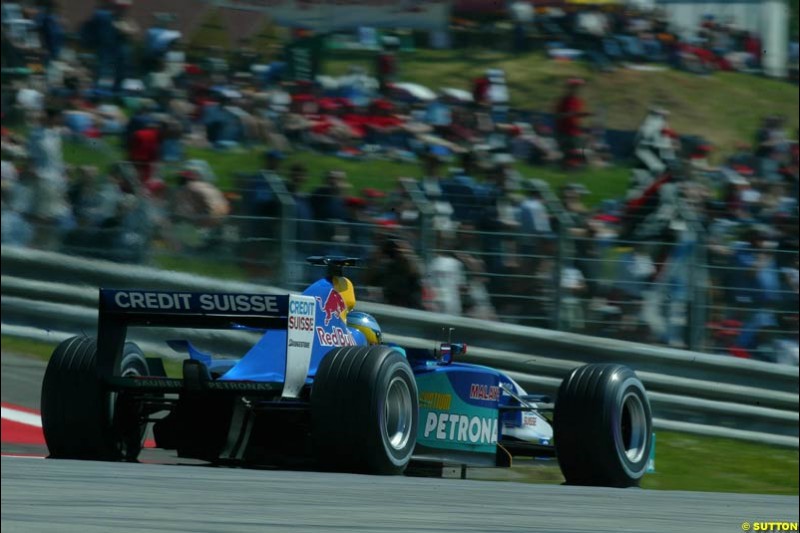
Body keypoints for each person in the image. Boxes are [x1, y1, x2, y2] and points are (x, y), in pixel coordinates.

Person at [555, 78, 589, 168]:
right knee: (569, 152)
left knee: (580, 150)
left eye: (578, 87)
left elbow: (576, 116)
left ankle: (576, 165)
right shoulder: (562, 101)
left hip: (574, 132)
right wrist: (568, 114)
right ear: (569, 88)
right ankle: (566, 165)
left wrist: (582, 115)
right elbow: (557, 116)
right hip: (564, 132)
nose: (576, 89)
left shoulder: (578, 101)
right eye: (574, 87)